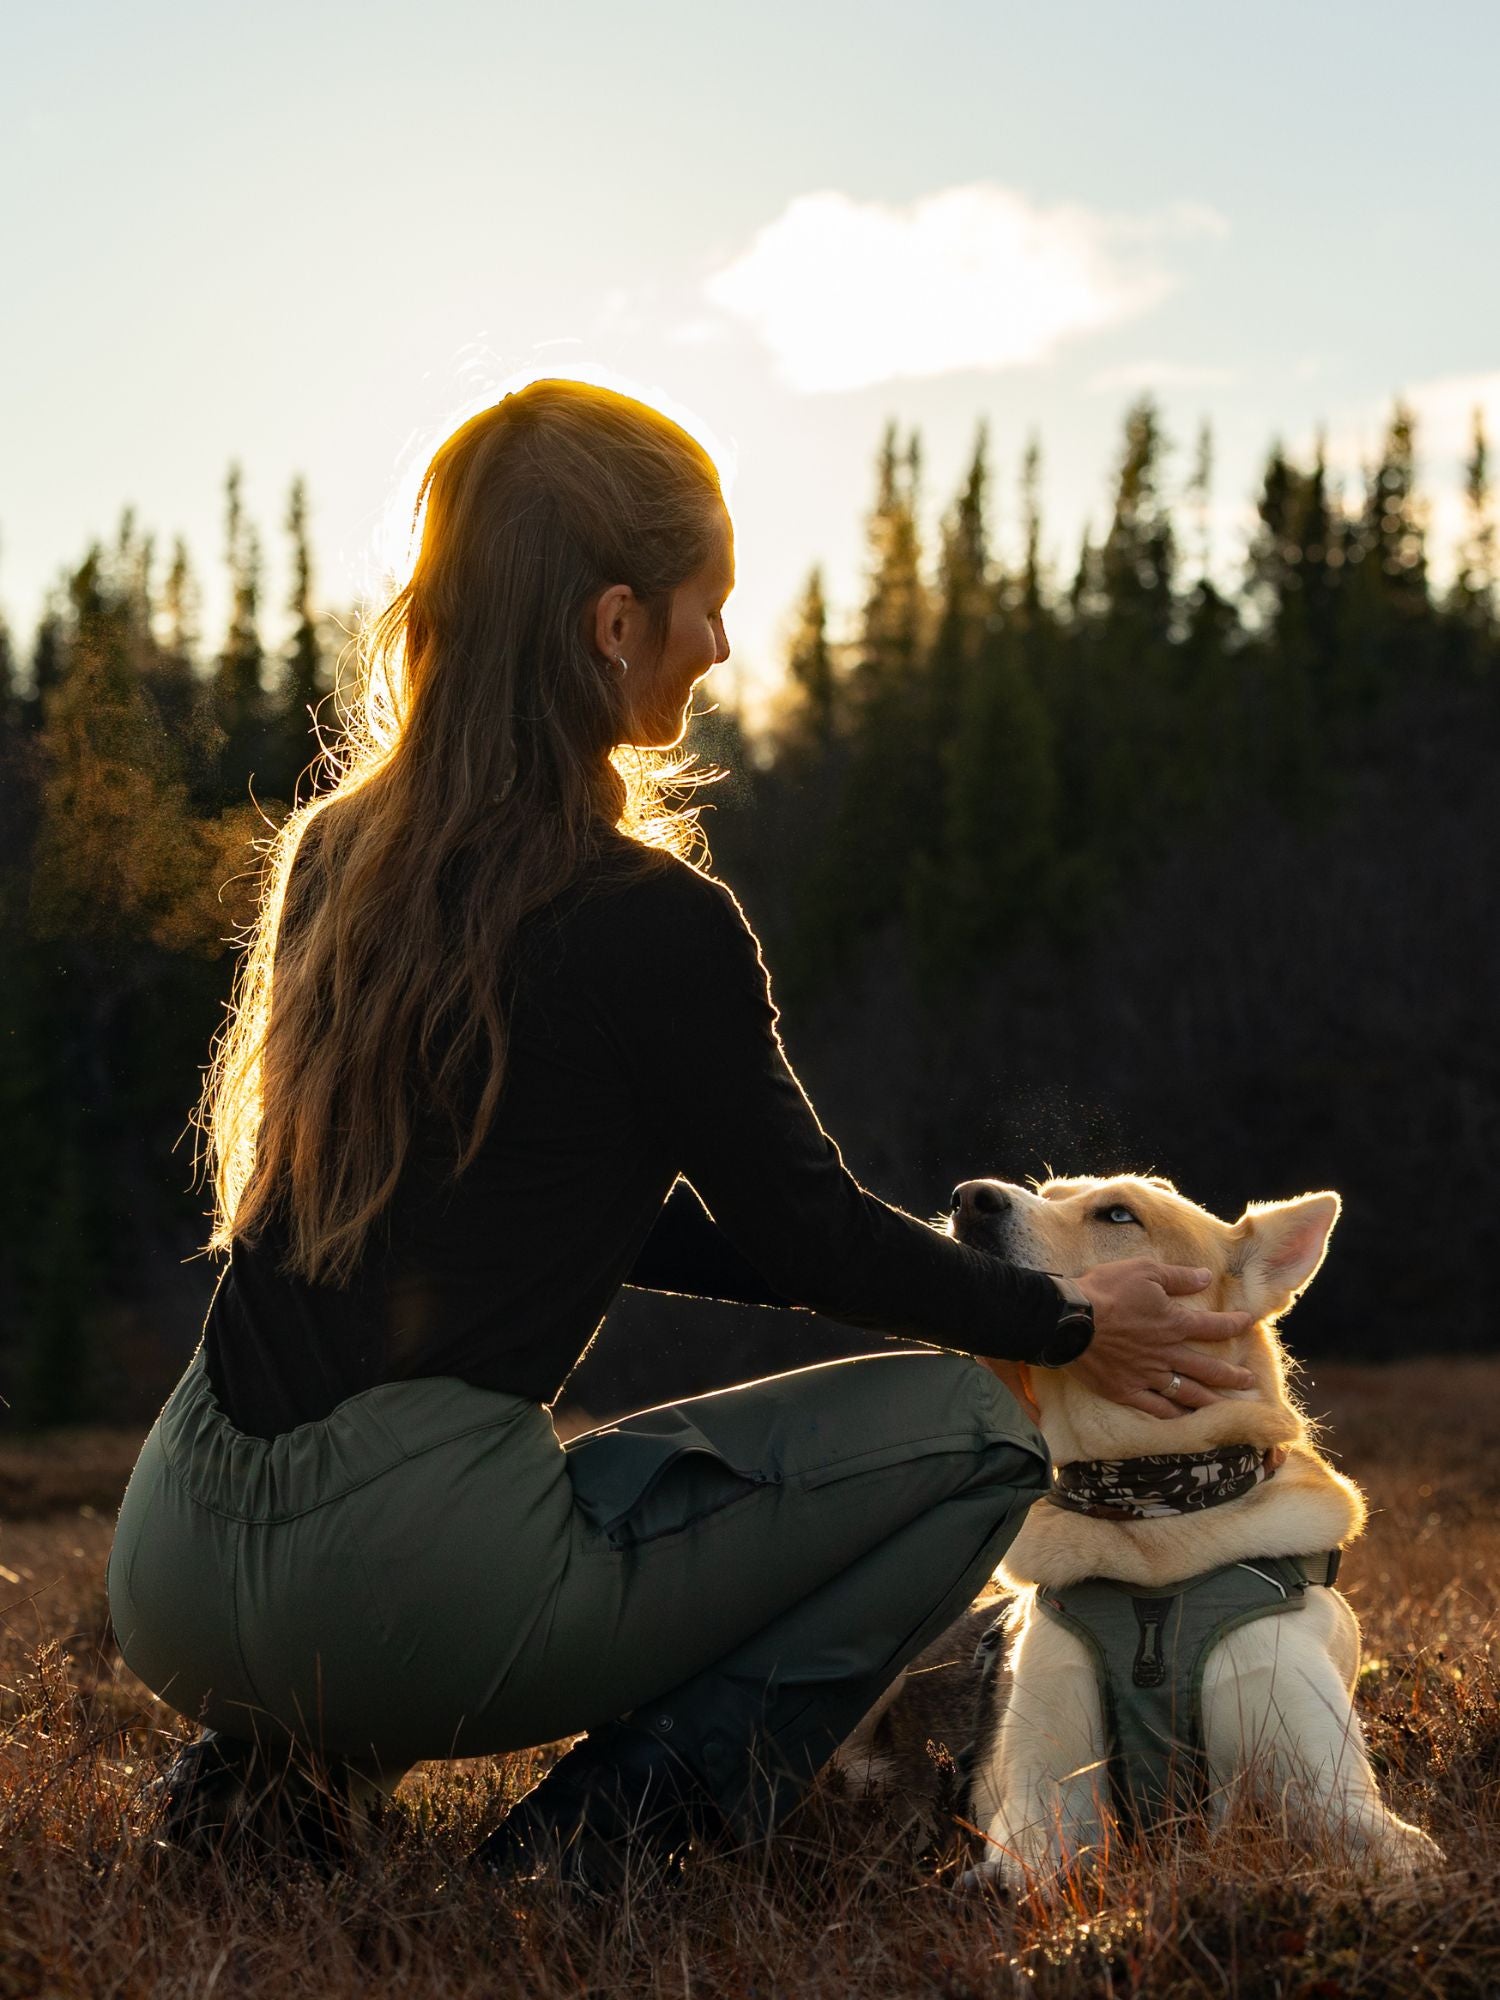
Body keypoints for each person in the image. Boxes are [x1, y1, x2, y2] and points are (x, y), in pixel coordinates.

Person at [105, 378, 1255, 1889]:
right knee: (982, 1432)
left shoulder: (337, 852)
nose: (722, 645)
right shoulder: (655, 923)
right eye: (707, 605)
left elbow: (576, 1207)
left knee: (878, 1393)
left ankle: (265, 1781)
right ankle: (604, 1846)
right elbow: (802, 1227)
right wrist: (1053, 1323)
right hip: (393, 1590)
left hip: (175, 1557)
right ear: (614, 622)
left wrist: (924, 1275)